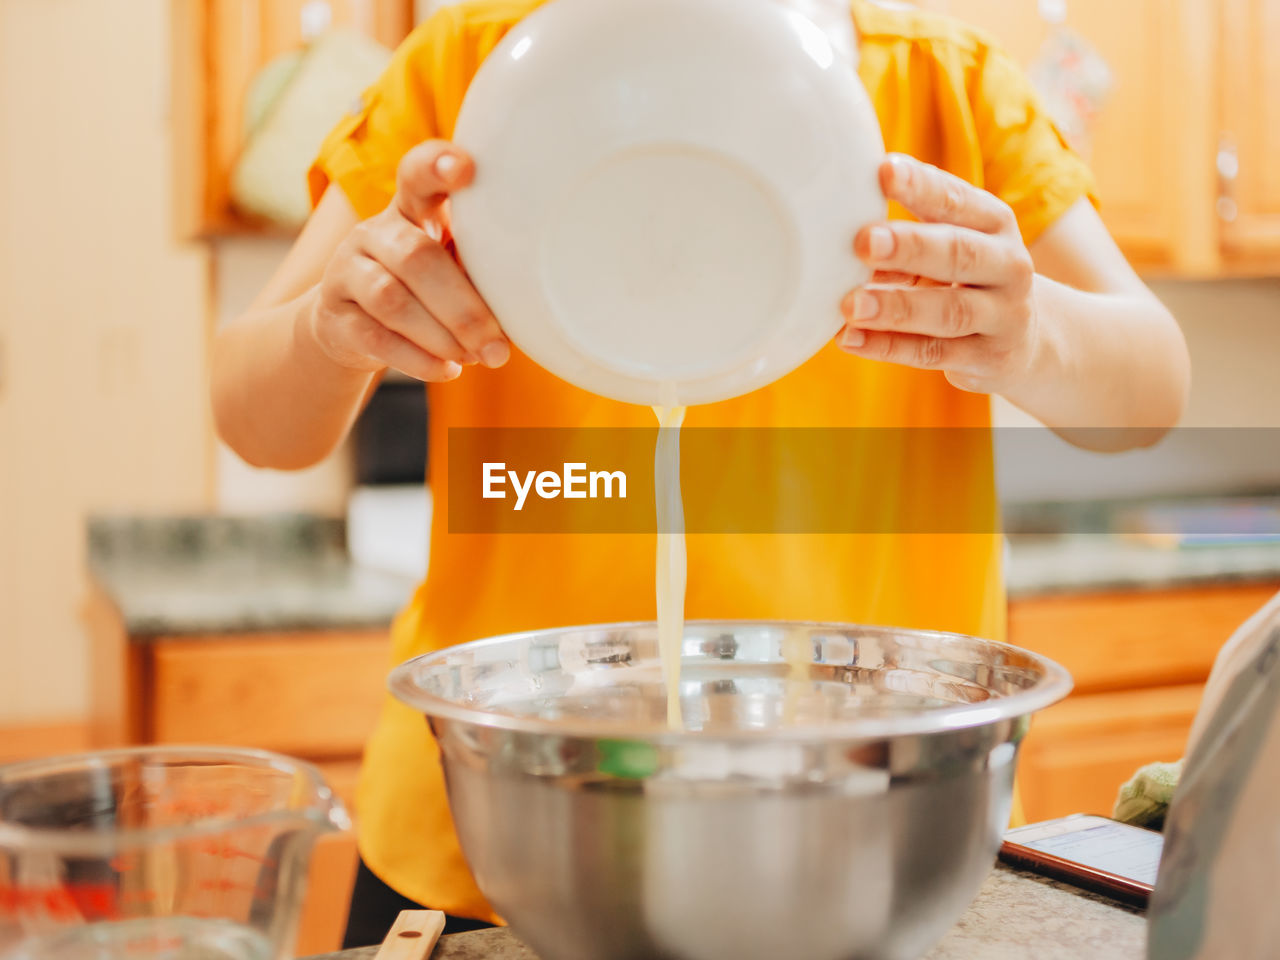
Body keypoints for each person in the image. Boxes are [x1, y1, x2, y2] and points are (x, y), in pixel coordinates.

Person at [211, 0, 1190, 947]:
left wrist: (1029, 332)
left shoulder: (948, 86)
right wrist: (328, 328)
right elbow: (254, 417)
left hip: (874, 842)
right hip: (492, 844)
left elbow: (1149, 392)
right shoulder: (466, 69)